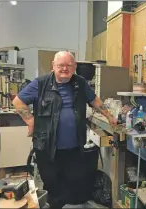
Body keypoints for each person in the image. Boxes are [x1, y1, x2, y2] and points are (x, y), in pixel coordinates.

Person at [12, 51, 117, 208]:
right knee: (53, 187)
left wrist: (109, 116)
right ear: (53, 66)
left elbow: (94, 100)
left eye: (69, 65)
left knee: (73, 184)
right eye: (60, 65)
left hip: (74, 148)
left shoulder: (80, 83)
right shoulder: (41, 83)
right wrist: (30, 121)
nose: (65, 69)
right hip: (47, 148)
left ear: (74, 67)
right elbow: (18, 102)